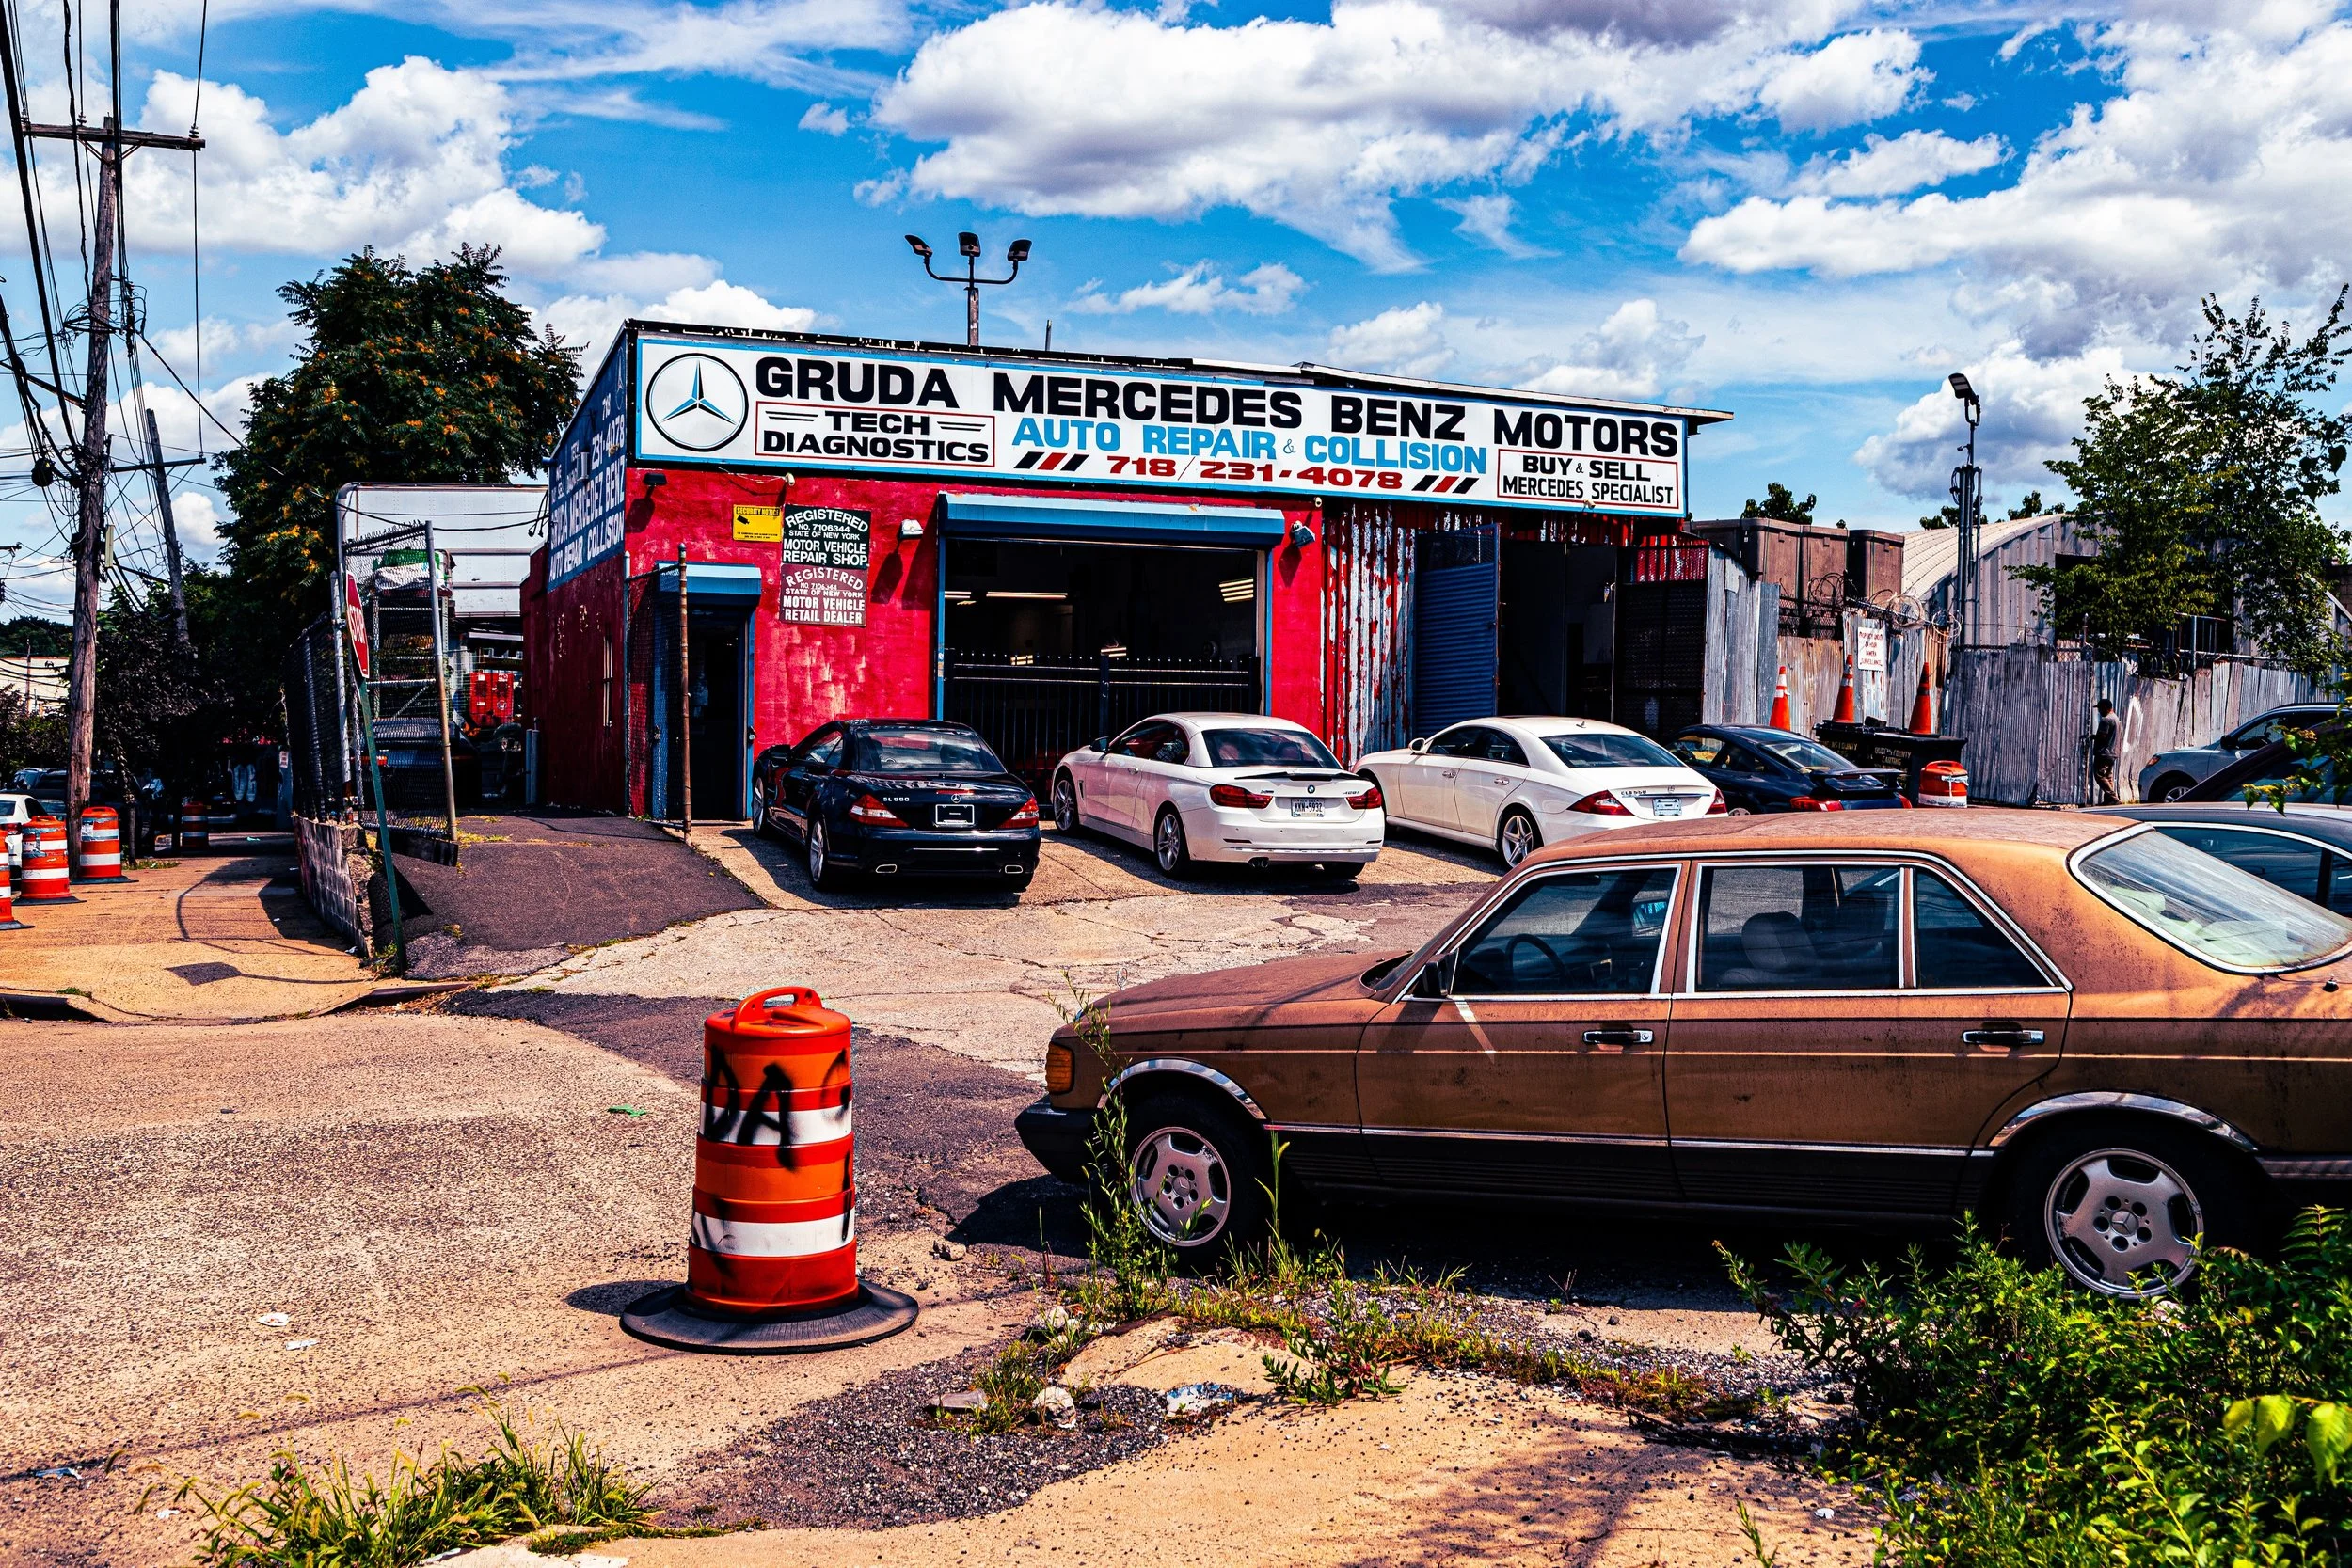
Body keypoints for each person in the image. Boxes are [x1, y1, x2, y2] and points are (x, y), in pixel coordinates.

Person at [2090, 697, 2121, 804]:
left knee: (2099, 776)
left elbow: (2102, 736)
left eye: (2100, 709)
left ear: (2105, 707)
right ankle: (2108, 800)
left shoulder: (2106, 720)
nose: (2099, 711)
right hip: (2113, 752)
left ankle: (2113, 798)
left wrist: (2093, 737)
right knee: (2108, 776)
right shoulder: (2116, 718)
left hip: (2104, 752)